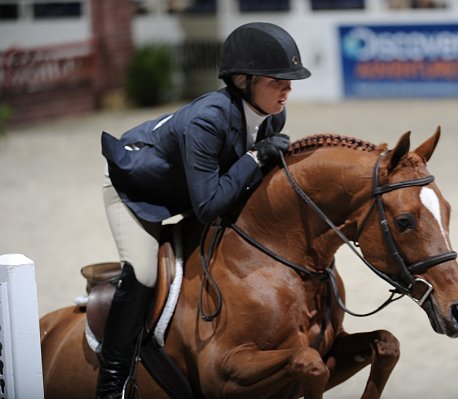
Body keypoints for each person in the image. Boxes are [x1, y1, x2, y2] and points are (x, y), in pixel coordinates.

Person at [97, 22, 311, 398]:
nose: (288, 88)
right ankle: (111, 381)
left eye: (289, 81)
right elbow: (209, 205)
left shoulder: (272, 117)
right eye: (277, 80)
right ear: (244, 80)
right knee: (145, 273)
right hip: (135, 190)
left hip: (190, 190)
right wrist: (256, 156)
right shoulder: (206, 120)